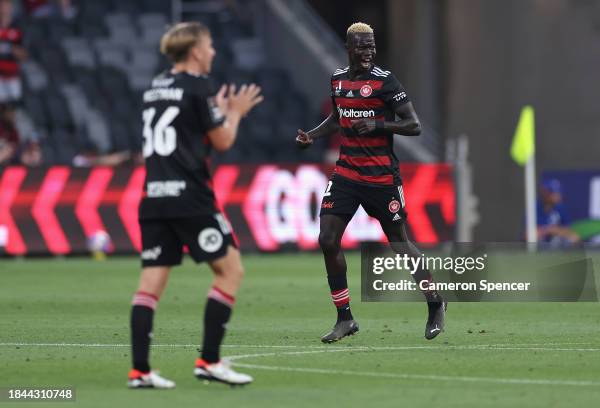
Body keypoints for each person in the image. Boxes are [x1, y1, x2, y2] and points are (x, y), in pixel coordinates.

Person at [128, 22, 263, 389]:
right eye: (209, 45)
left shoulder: (154, 87)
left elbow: (185, 128)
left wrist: (215, 112)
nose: (213, 52)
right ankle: (210, 361)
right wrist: (233, 111)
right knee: (230, 270)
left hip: (154, 194)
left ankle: (140, 371)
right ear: (195, 51)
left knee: (150, 283)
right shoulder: (198, 86)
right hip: (190, 197)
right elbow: (222, 141)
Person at [296, 22, 446, 343]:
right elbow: (338, 118)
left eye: (372, 46)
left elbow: (413, 125)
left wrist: (378, 123)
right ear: (349, 48)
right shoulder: (338, 80)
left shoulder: (385, 82)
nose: (369, 52)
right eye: (362, 47)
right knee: (327, 239)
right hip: (347, 174)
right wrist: (312, 134)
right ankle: (345, 318)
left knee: (400, 244)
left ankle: (435, 302)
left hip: (381, 178)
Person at [536, 179, 579, 246]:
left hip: (556, 240)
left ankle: (565, 256)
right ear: (545, 193)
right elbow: (528, 234)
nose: (557, 195)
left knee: (573, 237)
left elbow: (569, 230)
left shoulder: (561, 208)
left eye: (558, 192)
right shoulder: (535, 207)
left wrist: (555, 230)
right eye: (553, 193)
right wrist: (548, 230)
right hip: (541, 241)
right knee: (534, 236)